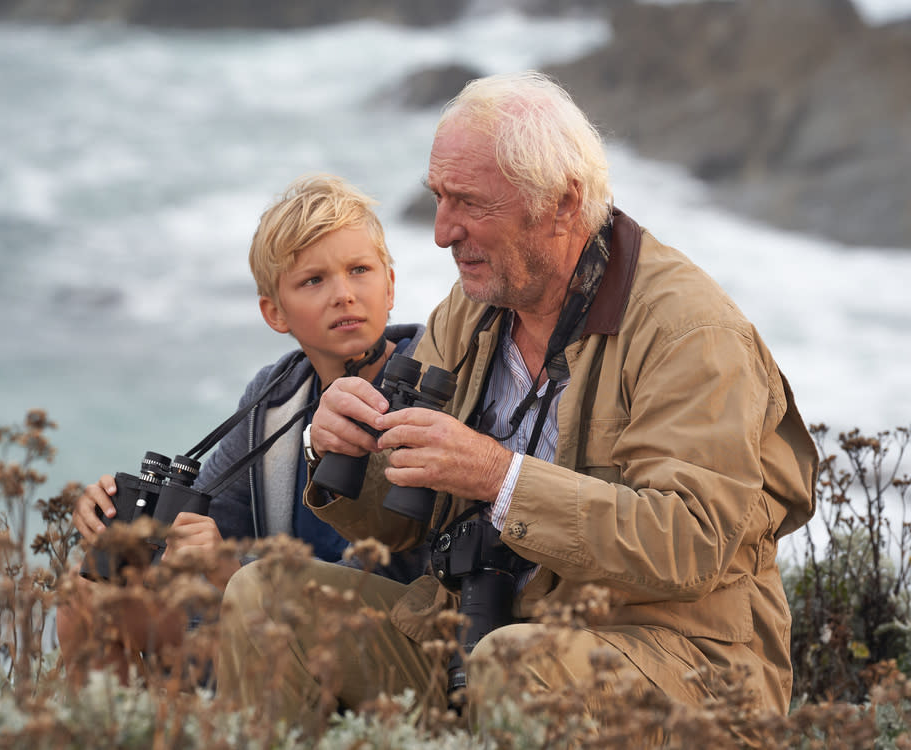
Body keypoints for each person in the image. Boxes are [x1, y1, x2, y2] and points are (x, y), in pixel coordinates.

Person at [216, 71, 818, 727]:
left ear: (562, 204)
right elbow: (396, 525)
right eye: (438, 199)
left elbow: (690, 543)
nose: (442, 232)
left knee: (512, 666)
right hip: (479, 635)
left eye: (470, 204)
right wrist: (340, 450)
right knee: (268, 596)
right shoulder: (473, 310)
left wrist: (499, 477)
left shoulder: (689, 333)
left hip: (678, 665)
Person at [57, 173, 428, 679]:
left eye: (359, 270)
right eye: (313, 281)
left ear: (390, 284)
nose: (343, 294)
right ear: (274, 313)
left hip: (391, 639)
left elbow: (406, 567)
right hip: (267, 617)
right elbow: (202, 526)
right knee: (87, 598)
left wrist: (234, 572)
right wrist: (119, 518)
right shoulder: (276, 396)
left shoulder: (435, 381)